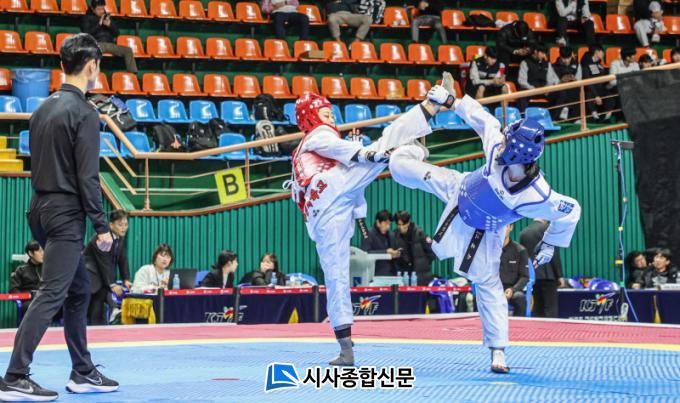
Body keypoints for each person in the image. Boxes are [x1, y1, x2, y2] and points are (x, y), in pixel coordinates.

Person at [387, 72, 581, 373]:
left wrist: (551, 243)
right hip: (459, 188)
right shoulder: (496, 145)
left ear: (519, 153)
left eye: (507, 144)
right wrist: (451, 100)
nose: (502, 144)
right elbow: (482, 120)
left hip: (486, 228)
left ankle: (498, 351)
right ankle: (415, 148)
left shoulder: (538, 195)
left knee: (488, 282)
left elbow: (572, 210)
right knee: (399, 164)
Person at [288, 84, 453, 366]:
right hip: (331, 192)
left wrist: (366, 156)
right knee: (383, 146)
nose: (332, 118)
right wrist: (367, 154)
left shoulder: (306, 149)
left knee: (336, 275)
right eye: (326, 113)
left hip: (326, 210)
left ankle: (345, 346)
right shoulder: (318, 135)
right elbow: (338, 148)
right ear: (312, 117)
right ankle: (421, 124)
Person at [0, 34, 119, 401]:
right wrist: (101, 225)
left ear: (62, 65)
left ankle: (82, 371)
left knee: (79, 288)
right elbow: (87, 176)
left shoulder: (43, 108)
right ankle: (14, 376)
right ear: (92, 66)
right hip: (66, 212)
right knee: (53, 292)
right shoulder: (84, 112)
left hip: (39, 207)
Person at [85, 209, 132, 325]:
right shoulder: (101, 239)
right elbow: (104, 262)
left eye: (126, 224)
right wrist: (112, 284)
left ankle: (114, 310)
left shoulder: (120, 237)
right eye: (120, 225)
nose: (124, 228)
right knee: (93, 313)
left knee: (99, 314)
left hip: (102, 278)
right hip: (90, 277)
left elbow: (123, 258)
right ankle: (114, 310)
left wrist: (126, 279)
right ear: (111, 225)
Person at [520, 219, 564, 318]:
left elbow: (523, 257)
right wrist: (560, 275)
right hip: (549, 276)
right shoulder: (550, 231)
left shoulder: (524, 233)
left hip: (532, 276)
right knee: (550, 309)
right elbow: (554, 255)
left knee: (536, 308)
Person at [80, 0, 137, 73]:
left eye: (102, 8)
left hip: (110, 44)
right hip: (97, 44)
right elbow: (86, 34)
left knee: (128, 50)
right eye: (98, 9)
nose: (101, 11)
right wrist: (99, 24)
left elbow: (117, 33)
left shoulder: (107, 17)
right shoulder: (86, 18)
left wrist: (110, 25)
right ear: (92, 9)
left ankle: (133, 74)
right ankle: (90, 74)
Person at [393, 210, 436, 285]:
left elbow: (431, 253)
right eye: (398, 225)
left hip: (421, 277)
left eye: (403, 224)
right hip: (404, 278)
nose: (400, 227)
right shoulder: (394, 236)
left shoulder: (419, 233)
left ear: (408, 223)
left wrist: (422, 265)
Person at [517, 43, 560, 111]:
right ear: (535, 51)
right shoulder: (525, 62)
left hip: (544, 90)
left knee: (561, 93)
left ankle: (555, 116)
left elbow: (553, 80)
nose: (544, 55)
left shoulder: (547, 64)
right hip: (530, 89)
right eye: (542, 53)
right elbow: (522, 81)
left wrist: (547, 89)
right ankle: (523, 116)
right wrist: (532, 89)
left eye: (545, 53)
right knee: (521, 94)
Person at [499, 224, 529, 317]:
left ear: (511, 228)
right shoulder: (489, 250)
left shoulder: (520, 250)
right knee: (479, 297)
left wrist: (512, 289)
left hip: (512, 289)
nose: (502, 229)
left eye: (505, 226)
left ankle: (519, 325)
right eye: (500, 226)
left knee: (519, 297)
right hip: (493, 289)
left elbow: (524, 277)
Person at [360, 210, 400, 276]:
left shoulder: (391, 235)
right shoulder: (368, 234)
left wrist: (396, 254)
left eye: (389, 224)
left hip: (392, 274)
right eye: (386, 224)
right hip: (375, 274)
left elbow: (394, 251)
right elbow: (365, 253)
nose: (388, 227)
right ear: (378, 222)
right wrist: (385, 252)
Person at [10, 241, 44, 317]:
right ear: (31, 253)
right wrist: (29, 295)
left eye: (44, 251)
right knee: (32, 307)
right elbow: (13, 290)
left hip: (47, 300)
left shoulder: (48, 268)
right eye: (40, 251)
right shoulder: (20, 269)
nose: (43, 253)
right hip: (29, 301)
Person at [581, 44, 614, 121]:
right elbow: (587, 81)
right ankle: (595, 117)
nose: (603, 54)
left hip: (600, 88)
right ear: (597, 52)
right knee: (589, 94)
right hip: (590, 89)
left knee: (609, 95)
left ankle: (607, 117)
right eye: (602, 52)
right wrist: (596, 95)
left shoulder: (599, 63)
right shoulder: (585, 64)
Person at [550, 46, 582, 121]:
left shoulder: (577, 65)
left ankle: (574, 117)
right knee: (563, 92)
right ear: (560, 56)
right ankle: (557, 117)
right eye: (564, 58)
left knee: (576, 90)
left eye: (568, 58)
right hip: (559, 88)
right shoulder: (554, 66)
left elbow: (579, 79)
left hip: (573, 87)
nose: (566, 61)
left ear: (571, 56)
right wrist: (561, 81)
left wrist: (574, 79)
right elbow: (553, 82)